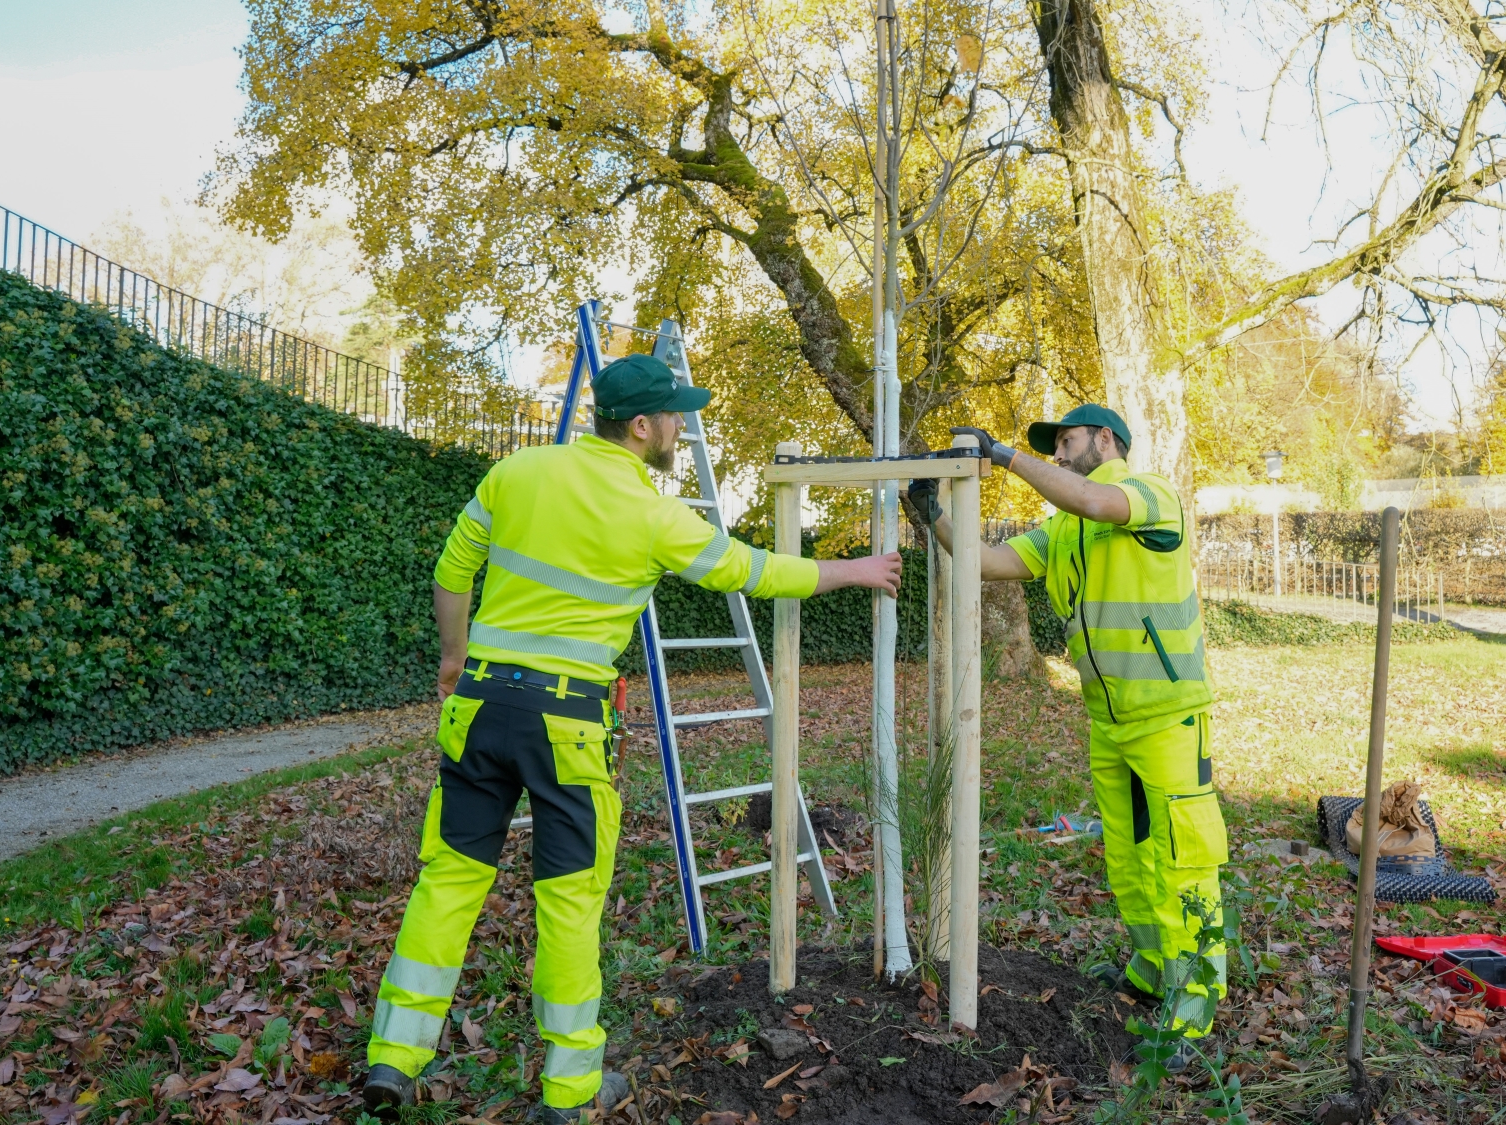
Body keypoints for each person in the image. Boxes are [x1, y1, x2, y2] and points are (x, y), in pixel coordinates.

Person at [363, 353, 903, 1124]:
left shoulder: (517, 473)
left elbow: (453, 570)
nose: (682, 427)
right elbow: (751, 571)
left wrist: (454, 659)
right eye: (675, 415)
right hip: (566, 726)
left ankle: (393, 1057)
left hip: (477, 708)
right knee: (570, 903)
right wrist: (855, 569)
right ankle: (569, 1094)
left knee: (448, 880)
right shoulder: (654, 515)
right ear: (642, 425)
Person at [910, 406, 1225, 1040]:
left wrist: (1002, 455)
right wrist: (932, 517)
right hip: (1109, 722)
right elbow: (985, 562)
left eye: (1067, 440)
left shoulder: (1147, 495)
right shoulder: (1063, 532)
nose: (1058, 452)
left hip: (1167, 718)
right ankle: (1150, 969)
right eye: (1052, 446)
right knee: (1130, 857)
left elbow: (1090, 498)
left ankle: (1193, 1005)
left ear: (1107, 439)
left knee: (1183, 859)